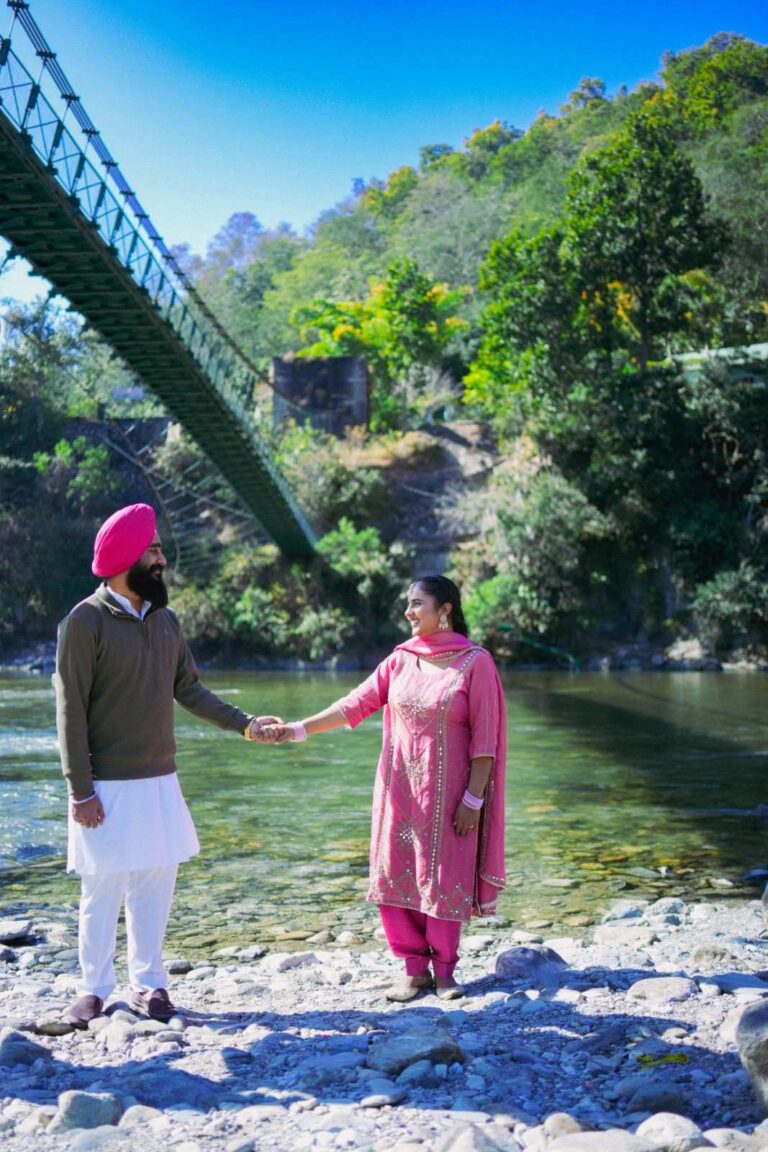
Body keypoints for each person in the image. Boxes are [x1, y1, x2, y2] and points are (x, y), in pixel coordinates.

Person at [56, 503, 275, 1028]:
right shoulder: (83, 622)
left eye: (158, 550)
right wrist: (80, 789)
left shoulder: (166, 620)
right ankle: (93, 989)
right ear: (125, 558)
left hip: (160, 780)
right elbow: (69, 711)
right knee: (101, 888)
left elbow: (189, 690)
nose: (162, 560)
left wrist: (246, 724)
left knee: (155, 886)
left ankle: (149, 984)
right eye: (152, 551)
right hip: (103, 785)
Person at [257, 575, 506, 1001]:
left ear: (445, 609)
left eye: (417, 603)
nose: (409, 612)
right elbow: (354, 705)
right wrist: (296, 730)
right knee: (395, 873)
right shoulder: (400, 661)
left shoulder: (474, 662)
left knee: (443, 876)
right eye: (408, 604)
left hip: (451, 797)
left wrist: (473, 798)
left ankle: (445, 972)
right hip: (398, 793)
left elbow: (485, 740)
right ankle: (414, 970)